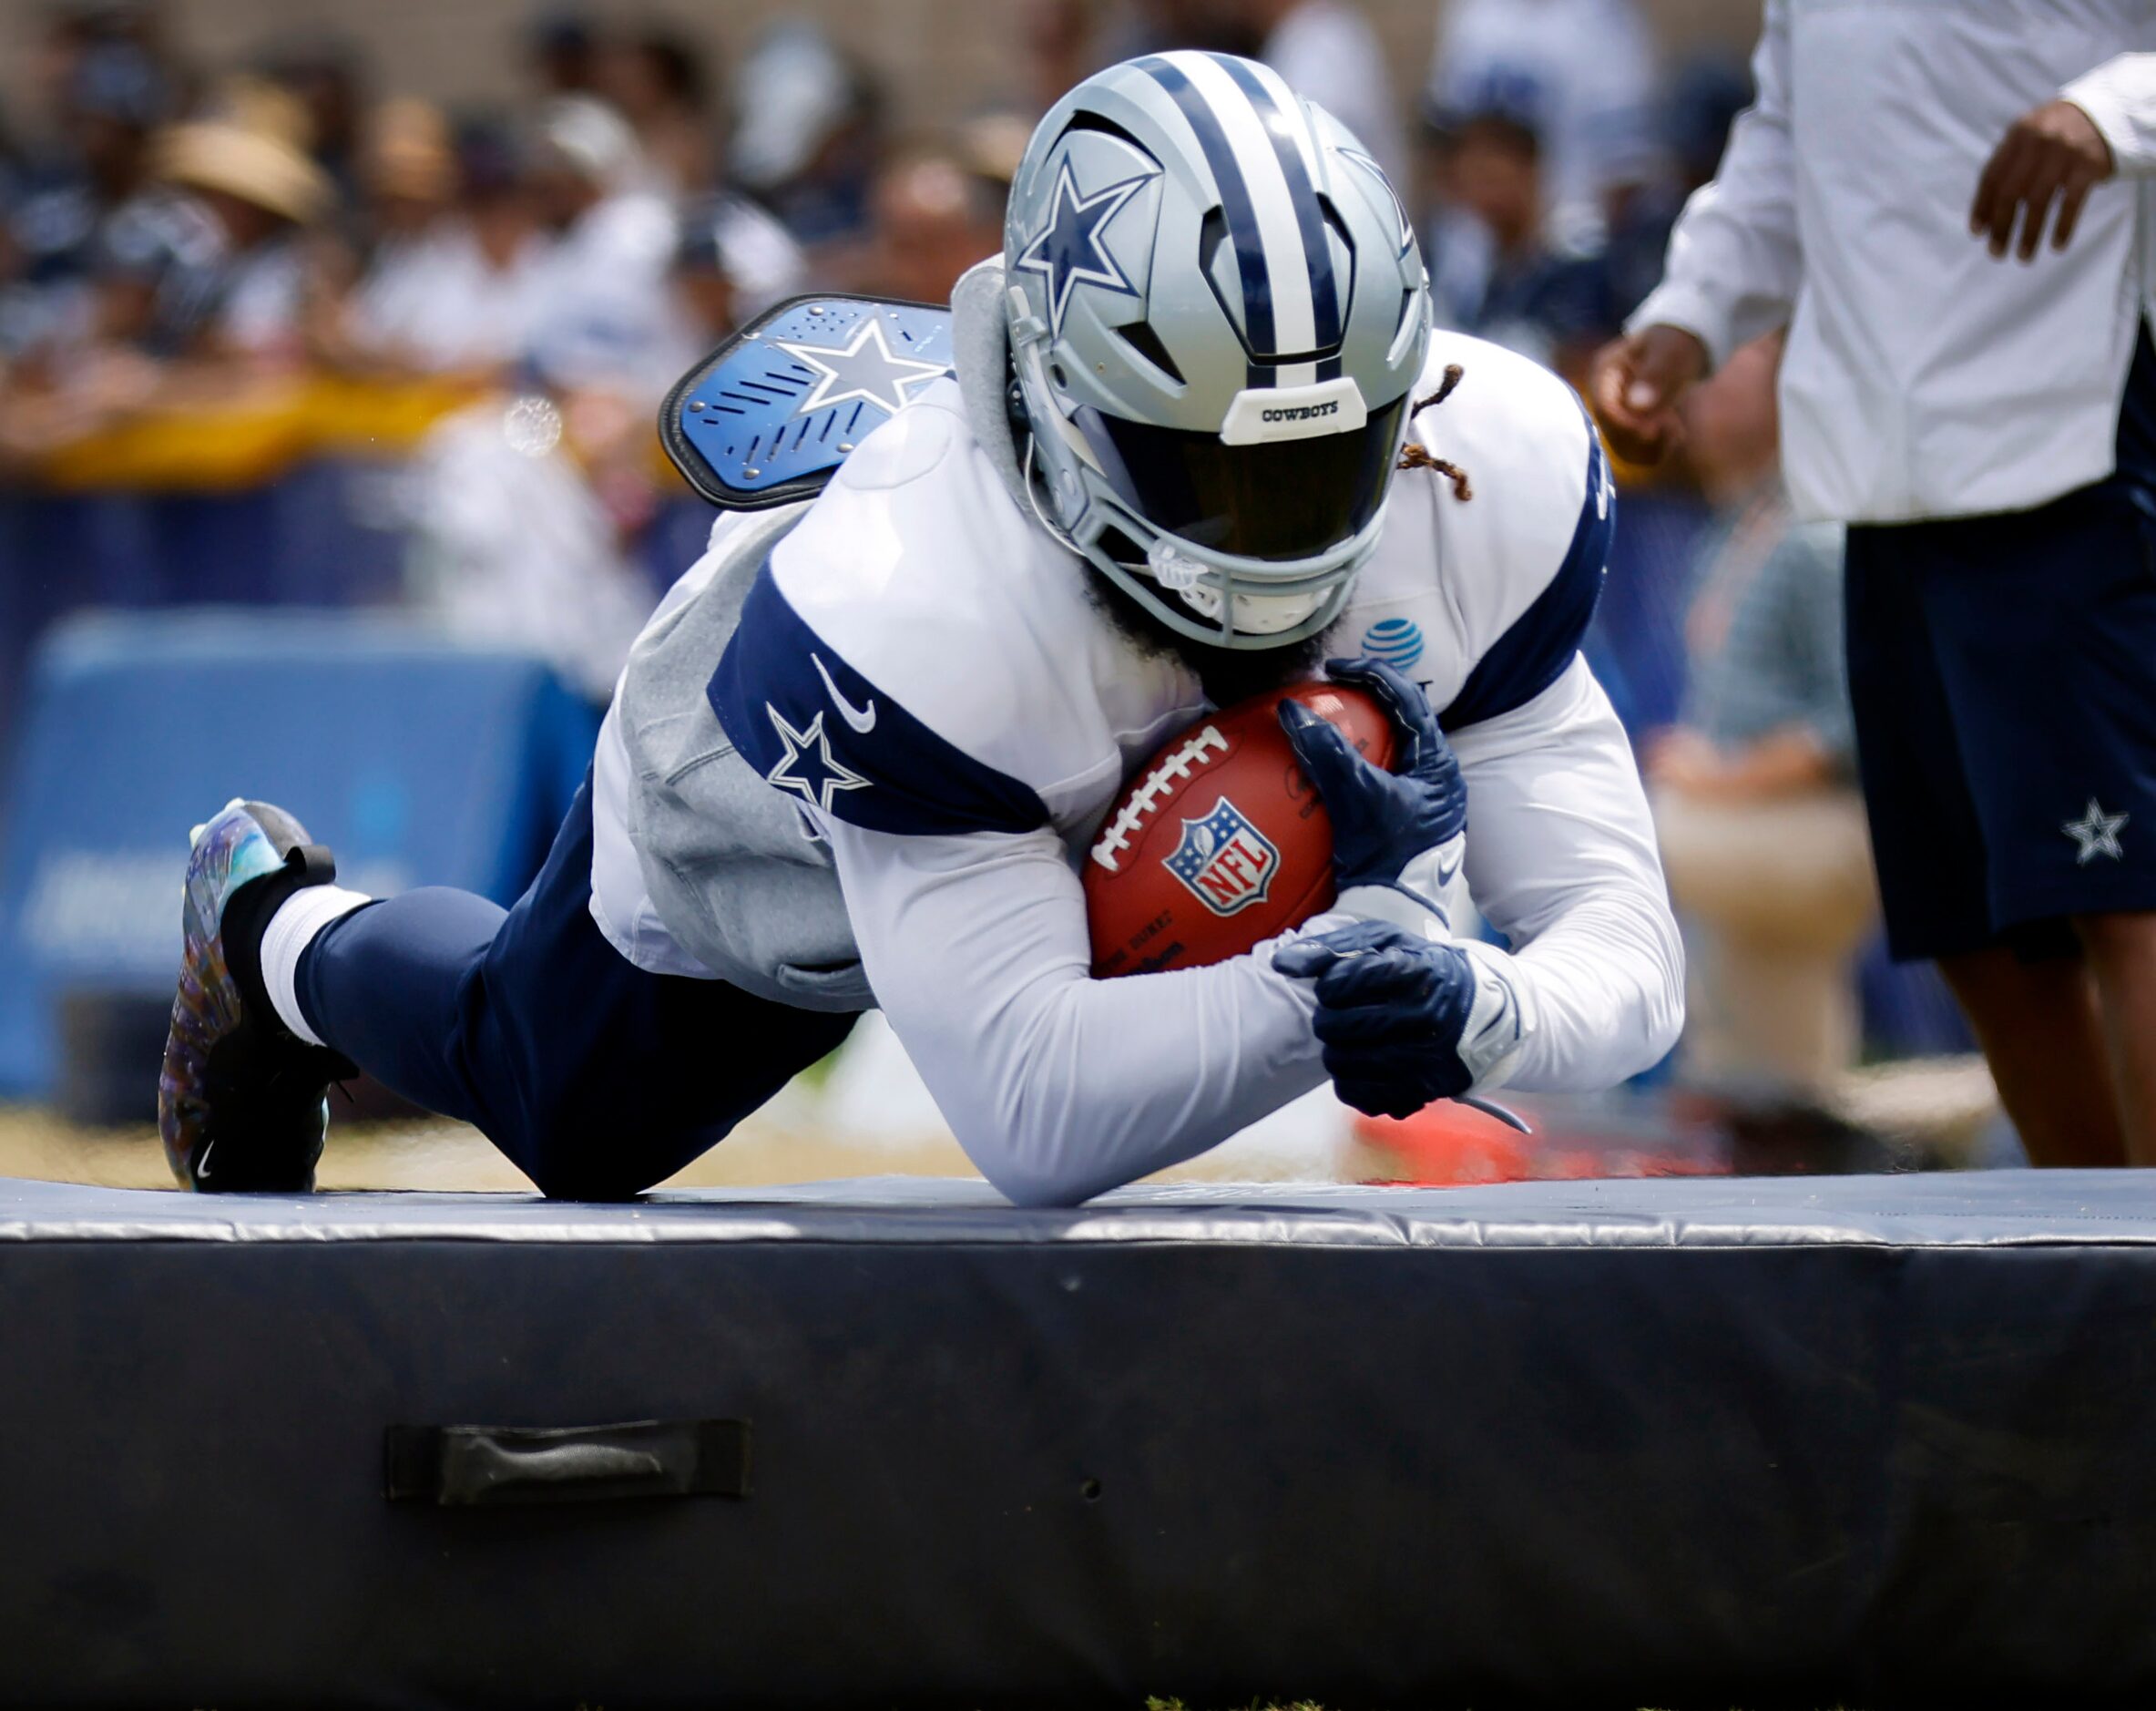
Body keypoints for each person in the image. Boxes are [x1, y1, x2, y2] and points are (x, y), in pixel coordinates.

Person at [157, 54, 1682, 1205]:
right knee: (564, 1110)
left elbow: (1624, 954)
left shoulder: (1497, 465)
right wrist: (1383, 936)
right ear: (1070, 402)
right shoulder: (905, 590)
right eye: (1209, 463)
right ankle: (267, 927)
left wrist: (1466, 1000)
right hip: (797, 820)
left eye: (1320, 452)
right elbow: (1034, 1116)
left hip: (1064, 743)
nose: (1271, 526)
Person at [1592, 8, 2156, 1168]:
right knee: (1985, 945)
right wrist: (1690, 314)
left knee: (2129, 903)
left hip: (2071, 444)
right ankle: (2097, 1294)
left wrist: (2111, 112)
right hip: (1881, 482)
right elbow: (1788, 142)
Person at [1643, 333, 1871, 1093]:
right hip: (1758, 831)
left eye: (1728, 379)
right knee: (1760, 1024)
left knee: (1640, 831)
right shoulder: (1729, 532)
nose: (1699, 397)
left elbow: (1852, 721)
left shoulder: (1814, 535)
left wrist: (1723, 778)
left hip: (1830, 828)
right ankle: (1769, 1114)